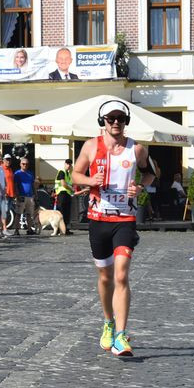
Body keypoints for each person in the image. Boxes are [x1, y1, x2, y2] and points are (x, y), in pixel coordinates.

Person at [72, 101, 154, 357]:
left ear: (126, 121)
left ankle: (120, 335)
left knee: (121, 275)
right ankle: (108, 322)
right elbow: (75, 175)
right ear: (103, 121)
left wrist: (141, 187)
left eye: (120, 118)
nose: (115, 122)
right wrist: (89, 180)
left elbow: (151, 173)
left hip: (125, 220)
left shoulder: (137, 149)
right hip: (98, 221)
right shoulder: (90, 146)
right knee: (106, 277)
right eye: (110, 118)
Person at [13, 158, 37, 235]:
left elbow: (32, 185)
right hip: (21, 196)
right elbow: (15, 185)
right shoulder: (17, 173)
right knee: (18, 213)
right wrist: (17, 195)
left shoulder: (30, 173)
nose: (25, 165)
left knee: (29, 214)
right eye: (23, 164)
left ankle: (29, 229)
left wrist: (35, 194)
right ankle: (16, 230)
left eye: (26, 164)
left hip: (30, 196)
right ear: (20, 164)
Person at [55, 158, 75, 234]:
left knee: (66, 213)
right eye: (67, 164)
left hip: (67, 194)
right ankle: (58, 229)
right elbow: (63, 183)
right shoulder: (61, 172)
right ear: (65, 164)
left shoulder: (69, 174)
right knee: (61, 212)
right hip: (61, 194)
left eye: (70, 164)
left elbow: (71, 183)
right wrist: (71, 189)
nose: (68, 165)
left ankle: (65, 229)